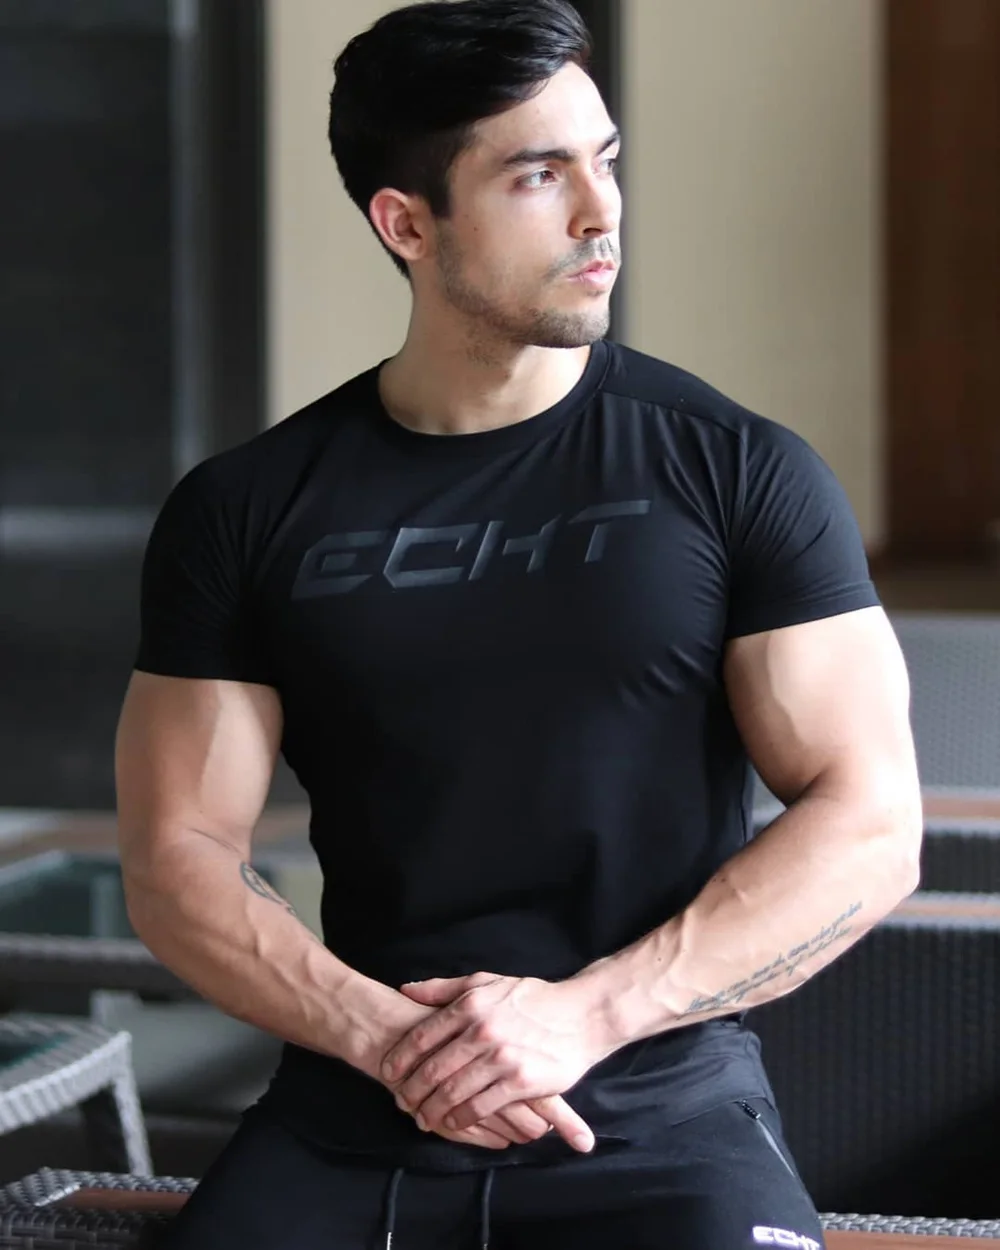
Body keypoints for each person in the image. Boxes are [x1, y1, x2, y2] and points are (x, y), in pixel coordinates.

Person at [116, 1, 922, 1246]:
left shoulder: (738, 470)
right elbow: (178, 854)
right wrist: (396, 1041)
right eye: (538, 175)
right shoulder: (245, 509)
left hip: (659, 1108)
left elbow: (870, 822)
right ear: (406, 223)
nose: (602, 213)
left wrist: (582, 1016)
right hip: (356, 1099)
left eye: (605, 160)